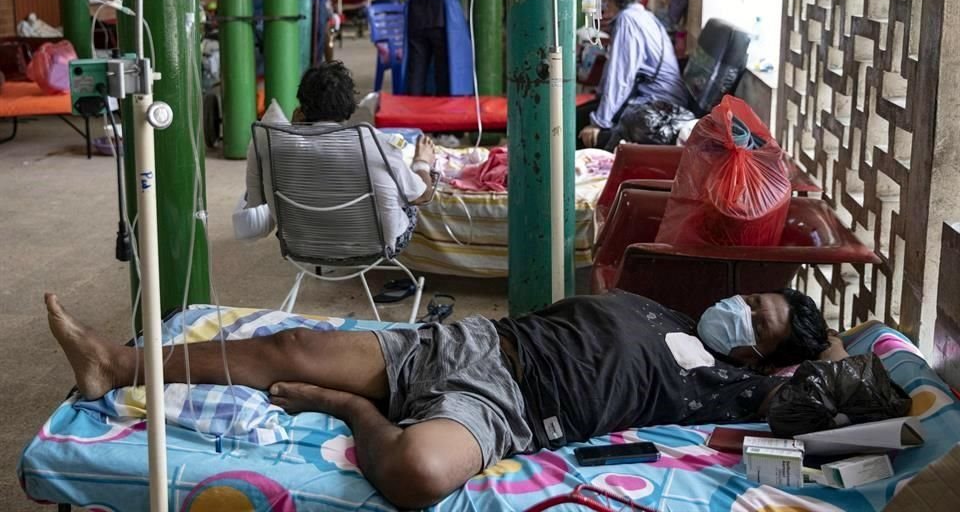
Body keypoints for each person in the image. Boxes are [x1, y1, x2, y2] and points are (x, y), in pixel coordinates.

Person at [46, 288, 843, 509]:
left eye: (760, 317)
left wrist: (832, 349)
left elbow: (838, 410)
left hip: (511, 412)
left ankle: (347, 409)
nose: (740, 307)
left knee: (420, 474)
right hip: (469, 343)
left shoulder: (725, 388)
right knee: (289, 345)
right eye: (756, 297)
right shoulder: (662, 306)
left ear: (762, 351)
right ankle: (114, 364)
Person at [233, 61, 437, 250]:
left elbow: (256, 200)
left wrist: (297, 128)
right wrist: (422, 161)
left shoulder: (272, 143)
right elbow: (422, 196)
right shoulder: (377, 145)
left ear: (302, 105)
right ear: (349, 107)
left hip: (301, 244)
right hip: (372, 247)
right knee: (407, 200)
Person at [578, 0, 690, 149]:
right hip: (662, 103)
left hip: (658, 110)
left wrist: (598, 123)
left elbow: (620, 78)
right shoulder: (644, 15)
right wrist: (599, 99)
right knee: (579, 115)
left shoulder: (627, 20)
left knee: (578, 131)